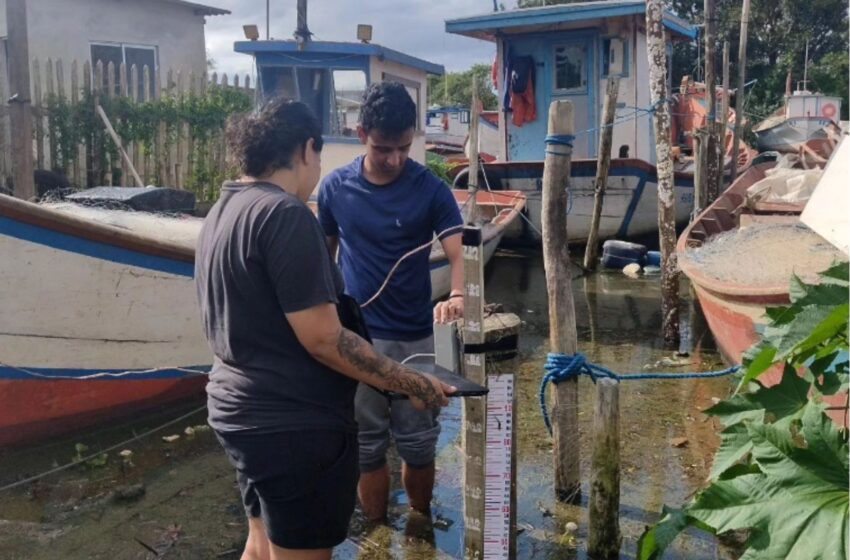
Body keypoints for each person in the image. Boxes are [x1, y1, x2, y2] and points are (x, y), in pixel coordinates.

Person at [194, 98, 454, 560]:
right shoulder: (286, 215)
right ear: (308, 149)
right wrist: (411, 381)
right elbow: (325, 338)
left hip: (236, 411)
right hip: (290, 428)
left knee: (259, 548)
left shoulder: (223, 209)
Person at [317, 82, 465, 523]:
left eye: (404, 147)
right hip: (356, 339)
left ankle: (420, 521)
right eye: (384, 148)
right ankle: (377, 528)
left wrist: (457, 293)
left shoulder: (430, 189)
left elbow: (459, 253)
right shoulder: (335, 189)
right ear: (362, 133)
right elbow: (322, 262)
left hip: (417, 337)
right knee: (366, 445)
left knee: (419, 443)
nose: (396, 159)